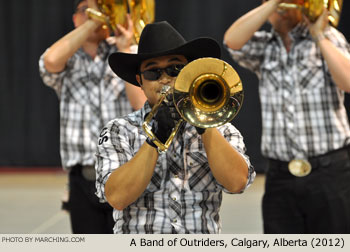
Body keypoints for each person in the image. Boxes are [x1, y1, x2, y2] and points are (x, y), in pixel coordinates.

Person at [95, 21, 256, 234]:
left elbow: (236, 183)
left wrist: (203, 122)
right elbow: (117, 197)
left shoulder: (222, 129)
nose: (165, 79)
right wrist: (155, 138)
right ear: (140, 81)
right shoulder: (119, 130)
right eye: (153, 72)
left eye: (175, 69)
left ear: (191, 73)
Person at [224, 0, 350, 233]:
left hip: (329, 173)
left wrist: (319, 35)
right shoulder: (264, 46)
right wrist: (273, 4)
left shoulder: (328, 36)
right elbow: (232, 40)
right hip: (280, 177)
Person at [38, 0, 146, 234]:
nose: (98, 14)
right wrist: (91, 24)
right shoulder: (68, 57)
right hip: (83, 178)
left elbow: (142, 106)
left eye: (102, 9)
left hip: (126, 173)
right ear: (76, 19)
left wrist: (124, 49)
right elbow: (50, 61)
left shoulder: (128, 50)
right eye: (88, 9)